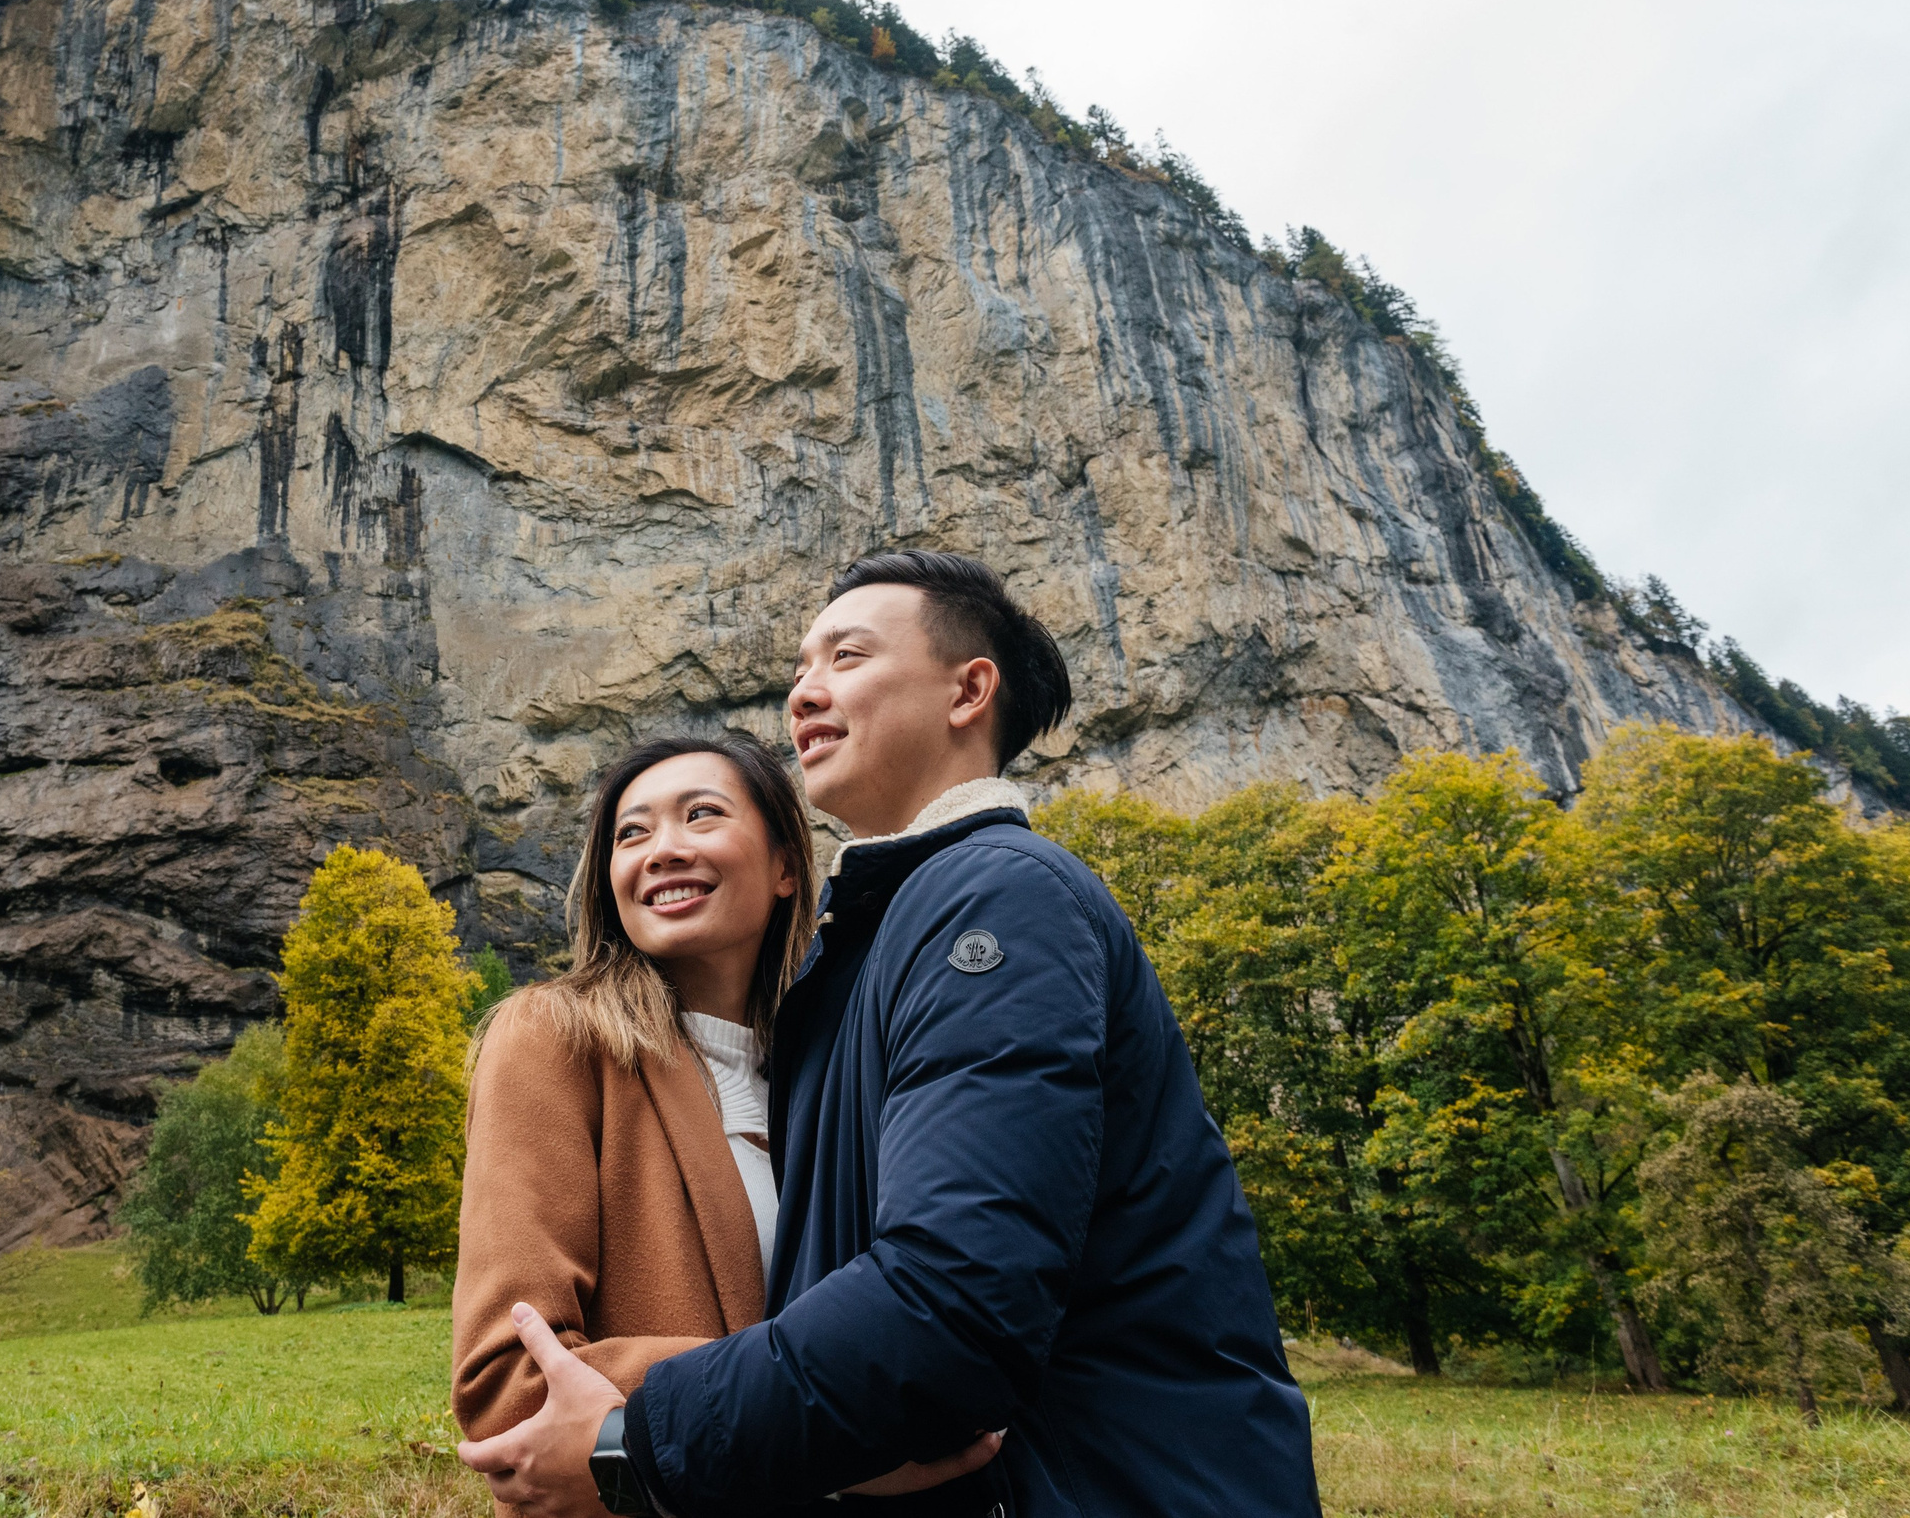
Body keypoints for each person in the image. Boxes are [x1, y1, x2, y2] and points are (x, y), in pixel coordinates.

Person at [458, 551, 1320, 1518]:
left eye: (846, 656)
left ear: (969, 691)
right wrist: (845, 1446)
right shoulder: (859, 973)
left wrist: (644, 1438)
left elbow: (951, 1304)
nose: (802, 692)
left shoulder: (994, 899)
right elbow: (517, 1376)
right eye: (798, 669)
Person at [455, 734, 991, 1504]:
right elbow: (507, 1379)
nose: (662, 849)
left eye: (701, 814)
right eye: (631, 832)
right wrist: (831, 1430)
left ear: (785, 866)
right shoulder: (551, 1038)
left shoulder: (839, 1066)